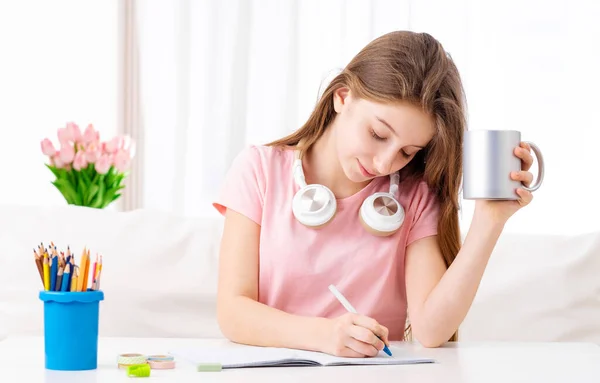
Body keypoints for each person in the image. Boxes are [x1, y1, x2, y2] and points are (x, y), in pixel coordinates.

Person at [212, 31, 536, 356]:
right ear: (343, 97)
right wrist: (324, 335)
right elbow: (232, 312)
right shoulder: (259, 170)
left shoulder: (415, 196)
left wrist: (489, 222)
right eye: (378, 134)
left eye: (407, 152)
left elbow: (432, 330)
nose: (384, 163)